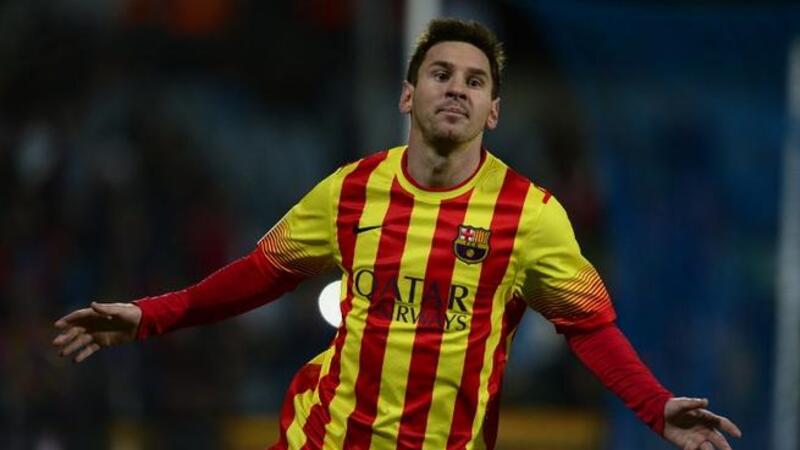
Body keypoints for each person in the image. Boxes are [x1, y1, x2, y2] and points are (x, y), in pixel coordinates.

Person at [53, 18, 741, 450]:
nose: (457, 88)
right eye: (441, 74)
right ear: (408, 96)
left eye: (475, 81)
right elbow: (262, 273)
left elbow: (589, 327)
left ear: (494, 111)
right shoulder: (352, 189)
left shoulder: (530, 215)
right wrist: (150, 315)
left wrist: (656, 408)